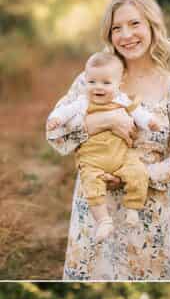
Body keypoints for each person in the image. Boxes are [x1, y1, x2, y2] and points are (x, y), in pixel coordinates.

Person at [46, 0, 170, 280]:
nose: (126, 35)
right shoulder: (92, 78)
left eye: (134, 24)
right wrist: (106, 120)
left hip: (147, 216)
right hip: (94, 210)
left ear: (152, 26)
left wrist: (140, 173)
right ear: (109, 35)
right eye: (116, 28)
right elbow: (55, 134)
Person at [46, 51, 163, 242]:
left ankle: (133, 208)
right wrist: (56, 119)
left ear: (119, 84)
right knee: (90, 182)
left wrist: (150, 122)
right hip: (92, 158)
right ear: (86, 82)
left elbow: (139, 113)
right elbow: (64, 112)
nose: (98, 87)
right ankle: (103, 220)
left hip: (122, 156)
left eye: (106, 83)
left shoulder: (122, 100)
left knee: (137, 172)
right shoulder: (82, 102)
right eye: (92, 82)